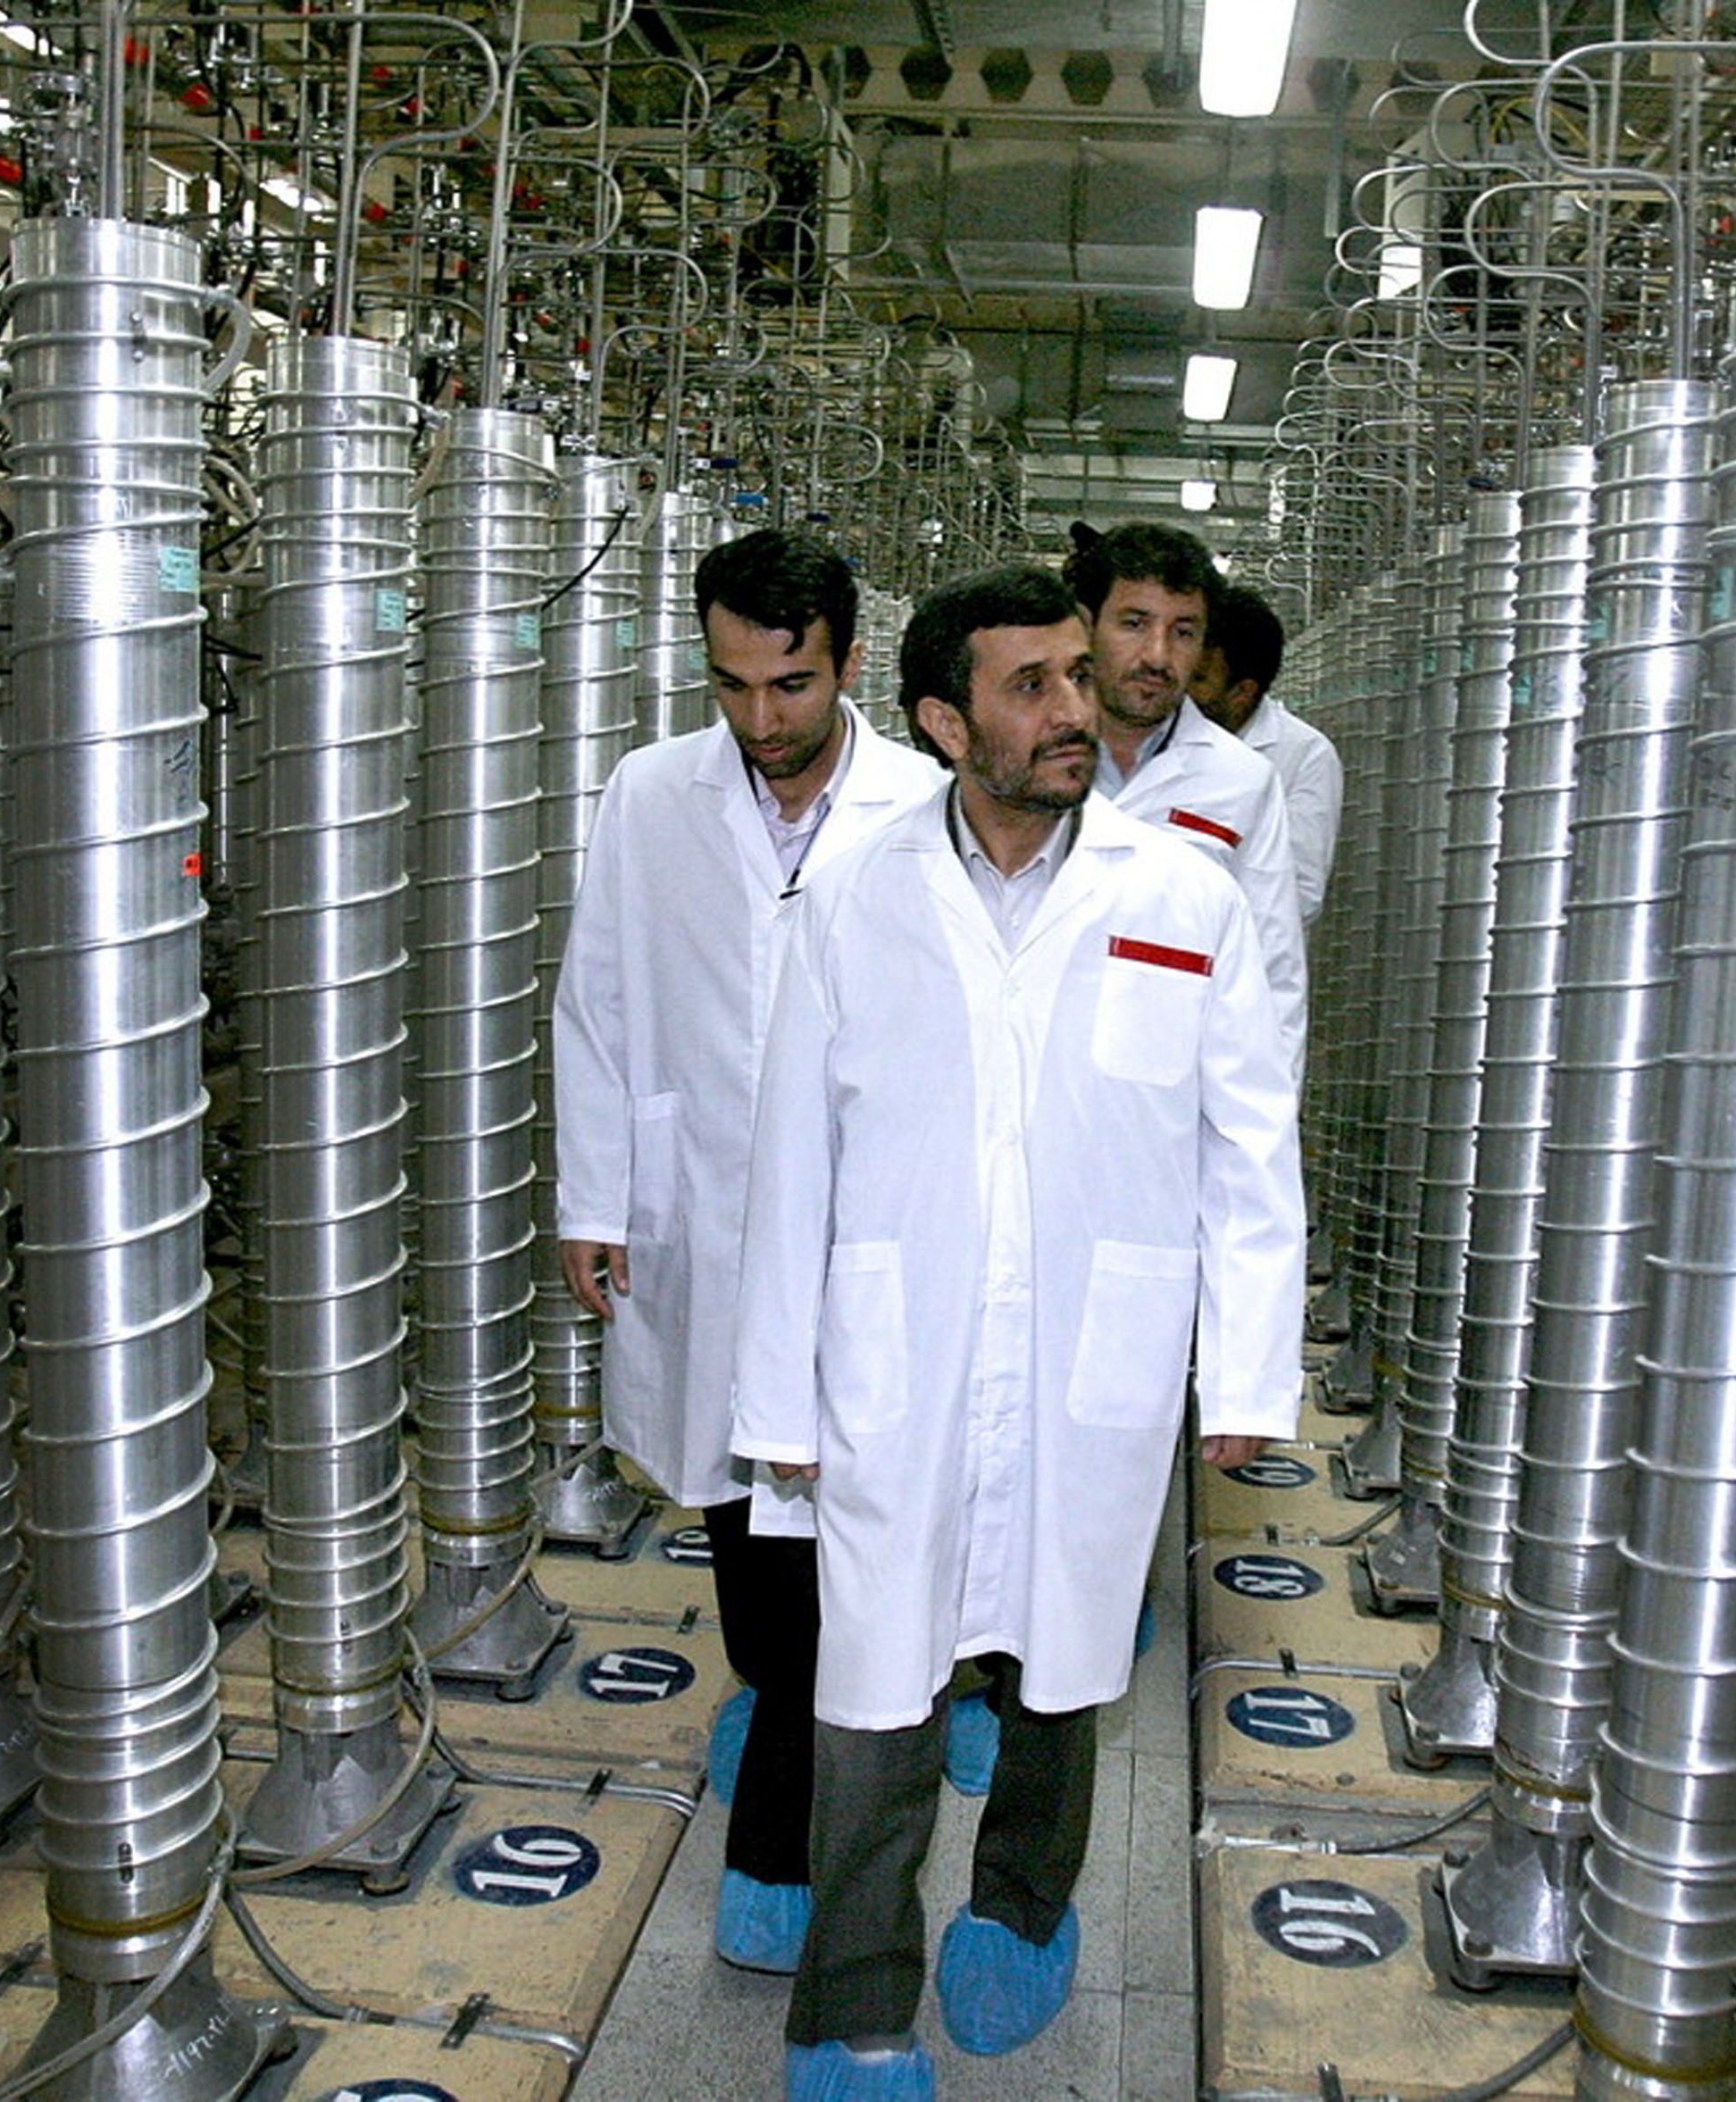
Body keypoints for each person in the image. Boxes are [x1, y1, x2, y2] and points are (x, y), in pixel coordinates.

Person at [732, 563, 1306, 2101]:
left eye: (1078, 672)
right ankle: (851, 2007)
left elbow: (1249, 1143)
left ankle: (1025, 1902)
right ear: (942, 719)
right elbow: (794, 1149)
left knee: (1065, 1660)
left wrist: (1246, 1364)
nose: (1081, 709)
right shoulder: (854, 887)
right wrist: (775, 1387)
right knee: (873, 1691)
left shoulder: (1179, 890)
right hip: (894, 1346)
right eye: (1033, 684)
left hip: (1093, 1349)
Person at [552, 525, 937, 1975]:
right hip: (702, 1212)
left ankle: (777, 1856)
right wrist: (595, 1192)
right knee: (739, 1524)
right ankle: (777, 1693)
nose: (761, 720)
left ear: (848, 660)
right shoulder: (652, 793)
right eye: (732, 686)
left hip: (860, 1238)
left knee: (829, 1564)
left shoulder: (921, 803)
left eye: (791, 686)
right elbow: (595, 997)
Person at [1065, 521, 1307, 1051]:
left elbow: (1273, 973)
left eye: (1184, 632)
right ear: (1086, 626)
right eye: (1134, 623)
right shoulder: (1029, 753)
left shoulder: (1241, 782)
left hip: (1171, 1087)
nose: (1157, 655)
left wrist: (1261, 1125)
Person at [1189, 580, 1341, 930]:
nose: (1183, 690)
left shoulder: (1303, 755)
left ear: (1243, 692)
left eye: (1199, 679)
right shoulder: (1157, 735)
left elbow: (1300, 894)